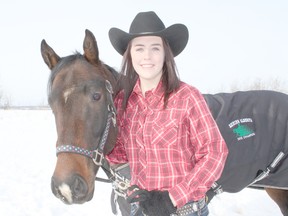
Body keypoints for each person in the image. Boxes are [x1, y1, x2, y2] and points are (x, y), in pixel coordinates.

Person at [106, 11, 228, 216]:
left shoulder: (187, 97)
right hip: (142, 209)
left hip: (185, 210)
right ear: (130, 54)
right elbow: (120, 154)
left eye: (155, 48)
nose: (147, 56)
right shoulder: (123, 102)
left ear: (165, 54)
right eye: (139, 48)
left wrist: (172, 197)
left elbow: (214, 153)